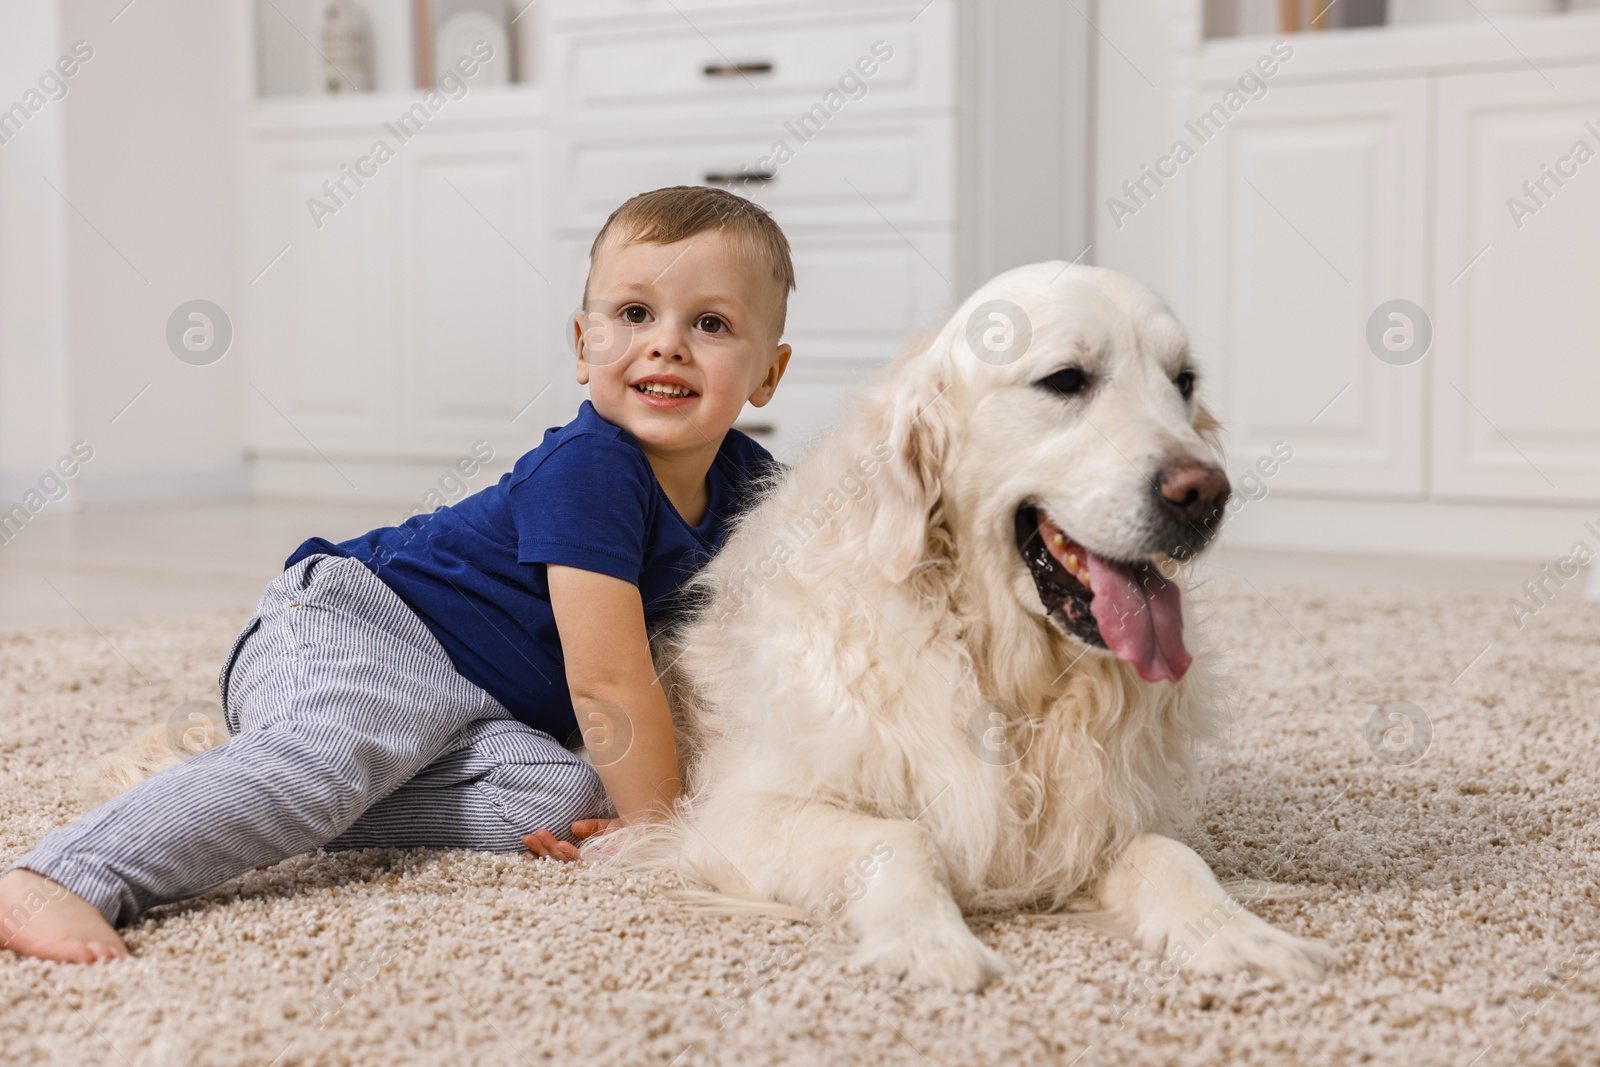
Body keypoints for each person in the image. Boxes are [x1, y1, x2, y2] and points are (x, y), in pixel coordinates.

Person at [0, 185, 794, 963]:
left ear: (768, 373)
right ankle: (66, 872)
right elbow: (610, 683)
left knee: (564, 796)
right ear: (584, 348)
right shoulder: (593, 468)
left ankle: (236, 792)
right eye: (633, 314)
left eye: (712, 324)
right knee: (329, 757)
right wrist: (661, 829)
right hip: (360, 624)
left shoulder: (745, 482)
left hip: (473, 707)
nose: (666, 344)